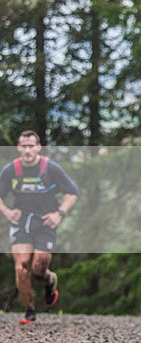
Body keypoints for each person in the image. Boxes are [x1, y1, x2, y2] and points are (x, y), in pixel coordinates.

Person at [0, 131, 79, 324]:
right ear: (18, 148)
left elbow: (72, 193)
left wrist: (59, 214)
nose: (27, 150)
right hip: (21, 223)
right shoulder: (11, 170)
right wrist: (8, 212)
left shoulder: (50, 168)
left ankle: (49, 280)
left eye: (31, 146)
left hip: (45, 222)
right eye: (24, 146)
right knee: (21, 267)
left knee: (38, 268)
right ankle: (30, 310)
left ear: (38, 147)